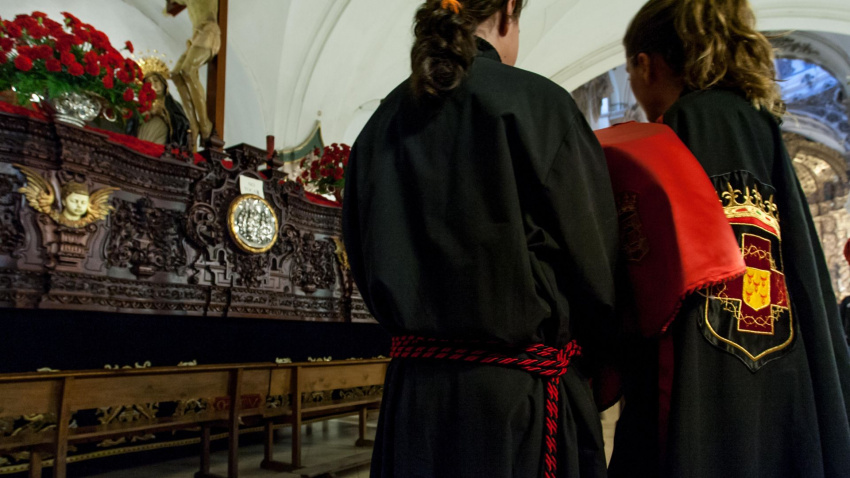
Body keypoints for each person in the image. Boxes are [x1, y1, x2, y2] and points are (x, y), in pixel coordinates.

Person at [342, 0, 619, 476]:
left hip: (413, 407)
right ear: (509, 10)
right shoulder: (541, 105)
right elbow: (597, 271)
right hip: (516, 408)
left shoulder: (380, 124)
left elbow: (361, 256)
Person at [608, 0, 850, 476]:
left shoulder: (686, 126)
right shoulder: (758, 124)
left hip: (707, 384)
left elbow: (668, 280)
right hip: (780, 376)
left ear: (644, 64)